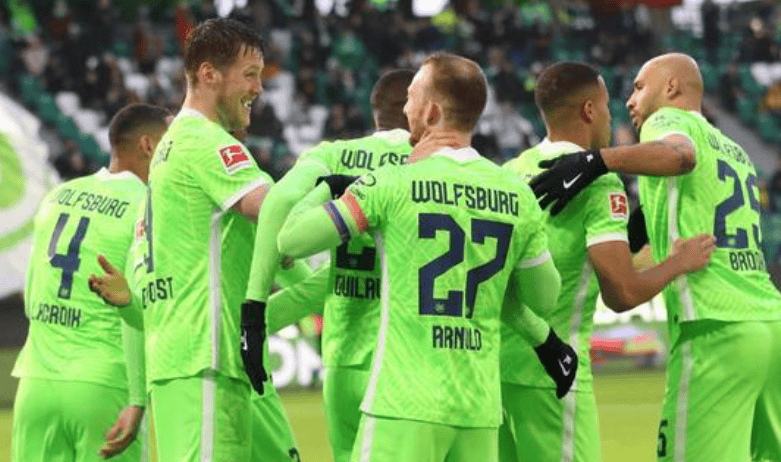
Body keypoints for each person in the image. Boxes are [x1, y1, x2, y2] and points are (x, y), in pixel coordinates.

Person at [276, 52, 578, 462]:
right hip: (478, 411)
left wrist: (329, 187)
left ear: (431, 111)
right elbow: (544, 299)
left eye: (412, 97)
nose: (404, 108)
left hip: (402, 405)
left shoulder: (390, 184)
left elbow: (291, 240)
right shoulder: (516, 195)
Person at [530, 53, 781, 462]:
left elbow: (681, 155)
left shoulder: (667, 120)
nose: (630, 100)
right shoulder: (734, 150)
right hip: (769, 323)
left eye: (639, 87)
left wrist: (598, 160)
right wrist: (641, 225)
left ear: (671, 88)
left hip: (716, 328)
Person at [499, 61, 715, 462]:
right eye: (607, 106)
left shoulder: (508, 172)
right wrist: (679, 262)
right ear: (589, 111)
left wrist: (633, 233)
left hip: (494, 375)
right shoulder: (600, 183)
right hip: (552, 377)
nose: (614, 115)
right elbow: (622, 294)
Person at [141, 18, 307, 462]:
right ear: (209, 74)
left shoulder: (172, 146)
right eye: (250, 75)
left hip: (180, 356)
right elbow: (271, 208)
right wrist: (330, 185)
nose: (258, 88)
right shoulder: (204, 141)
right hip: (207, 353)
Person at [243, 68, 415, 462]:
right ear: (420, 109)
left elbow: (278, 202)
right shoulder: (428, 164)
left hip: (342, 360)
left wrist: (255, 310)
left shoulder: (334, 154)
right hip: (403, 356)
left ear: (375, 113)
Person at [11, 103, 170, 462]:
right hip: (105, 385)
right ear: (148, 145)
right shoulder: (149, 206)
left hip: (36, 385)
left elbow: (32, 294)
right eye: (171, 142)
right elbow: (148, 308)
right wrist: (139, 396)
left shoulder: (57, 195)